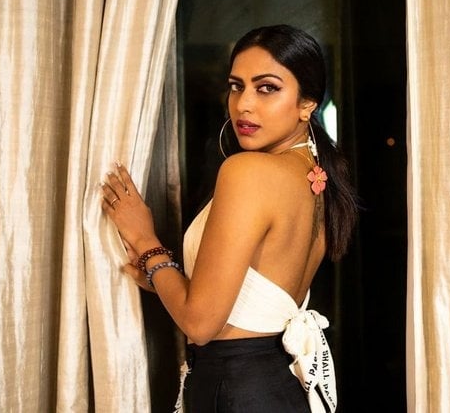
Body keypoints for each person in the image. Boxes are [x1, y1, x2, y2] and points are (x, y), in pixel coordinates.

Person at [100, 24, 359, 413]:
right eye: (236, 86)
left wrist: (145, 241)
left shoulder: (247, 171)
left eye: (267, 87)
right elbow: (241, 297)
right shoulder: (315, 176)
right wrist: (164, 278)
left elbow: (200, 324)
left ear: (307, 103)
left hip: (237, 390)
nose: (243, 105)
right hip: (277, 386)